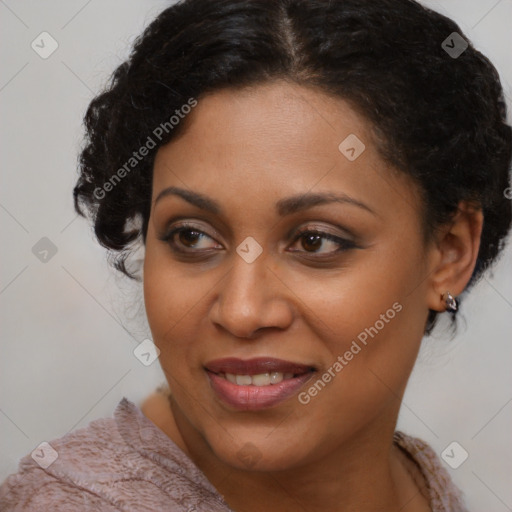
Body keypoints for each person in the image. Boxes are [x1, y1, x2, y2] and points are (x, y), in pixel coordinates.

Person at [1, 0, 510, 510]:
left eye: (315, 241)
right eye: (192, 237)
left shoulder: (419, 480)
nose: (242, 311)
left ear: (450, 251)